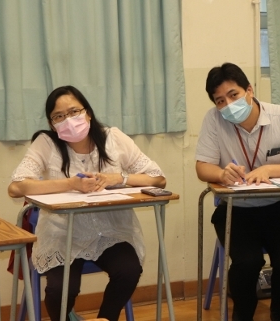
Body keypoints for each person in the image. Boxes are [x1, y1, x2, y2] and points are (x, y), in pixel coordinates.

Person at [8, 85, 166, 321]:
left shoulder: (112, 138)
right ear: (52, 124)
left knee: (128, 271)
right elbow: (16, 187)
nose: (68, 120)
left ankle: (105, 318)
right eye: (59, 116)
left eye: (74, 112)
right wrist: (70, 184)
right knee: (60, 291)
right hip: (62, 235)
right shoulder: (47, 143)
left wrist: (119, 178)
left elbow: (158, 178)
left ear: (88, 113)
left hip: (111, 231)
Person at [196, 62, 280, 321]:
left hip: (278, 207)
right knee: (247, 262)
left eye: (233, 95)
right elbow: (202, 167)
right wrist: (221, 174)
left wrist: (269, 170)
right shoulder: (213, 120)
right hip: (236, 210)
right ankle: (243, 314)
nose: (228, 105)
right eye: (220, 101)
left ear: (249, 90)